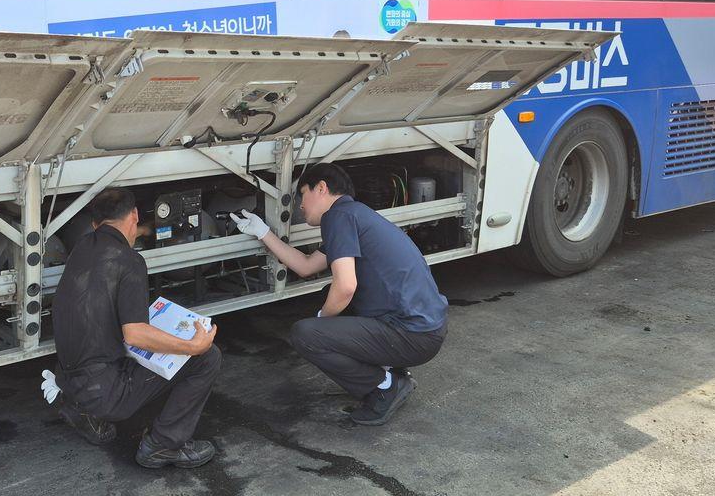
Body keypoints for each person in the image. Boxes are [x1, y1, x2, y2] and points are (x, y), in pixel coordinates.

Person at [232, 163, 447, 426]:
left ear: (321, 188)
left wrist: (323, 323)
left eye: (303, 193)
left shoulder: (337, 217)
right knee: (322, 299)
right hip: (424, 330)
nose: (300, 204)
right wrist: (263, 233)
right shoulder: (354, 214)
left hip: (411, 334)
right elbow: (307, 265)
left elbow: (346, 285)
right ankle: (389, 370)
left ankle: (385, 385)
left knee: (308, 334)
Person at [46, 187, 222, 468]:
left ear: (94, 224)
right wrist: (193, 346)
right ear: (135, 215)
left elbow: (112, 236)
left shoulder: (82, 247)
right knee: (207, 357)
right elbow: (135, 334)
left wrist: (143, 231)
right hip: (107, 391)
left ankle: (84, 412)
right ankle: (163, 446)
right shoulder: (130, 262)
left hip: (69, 380)